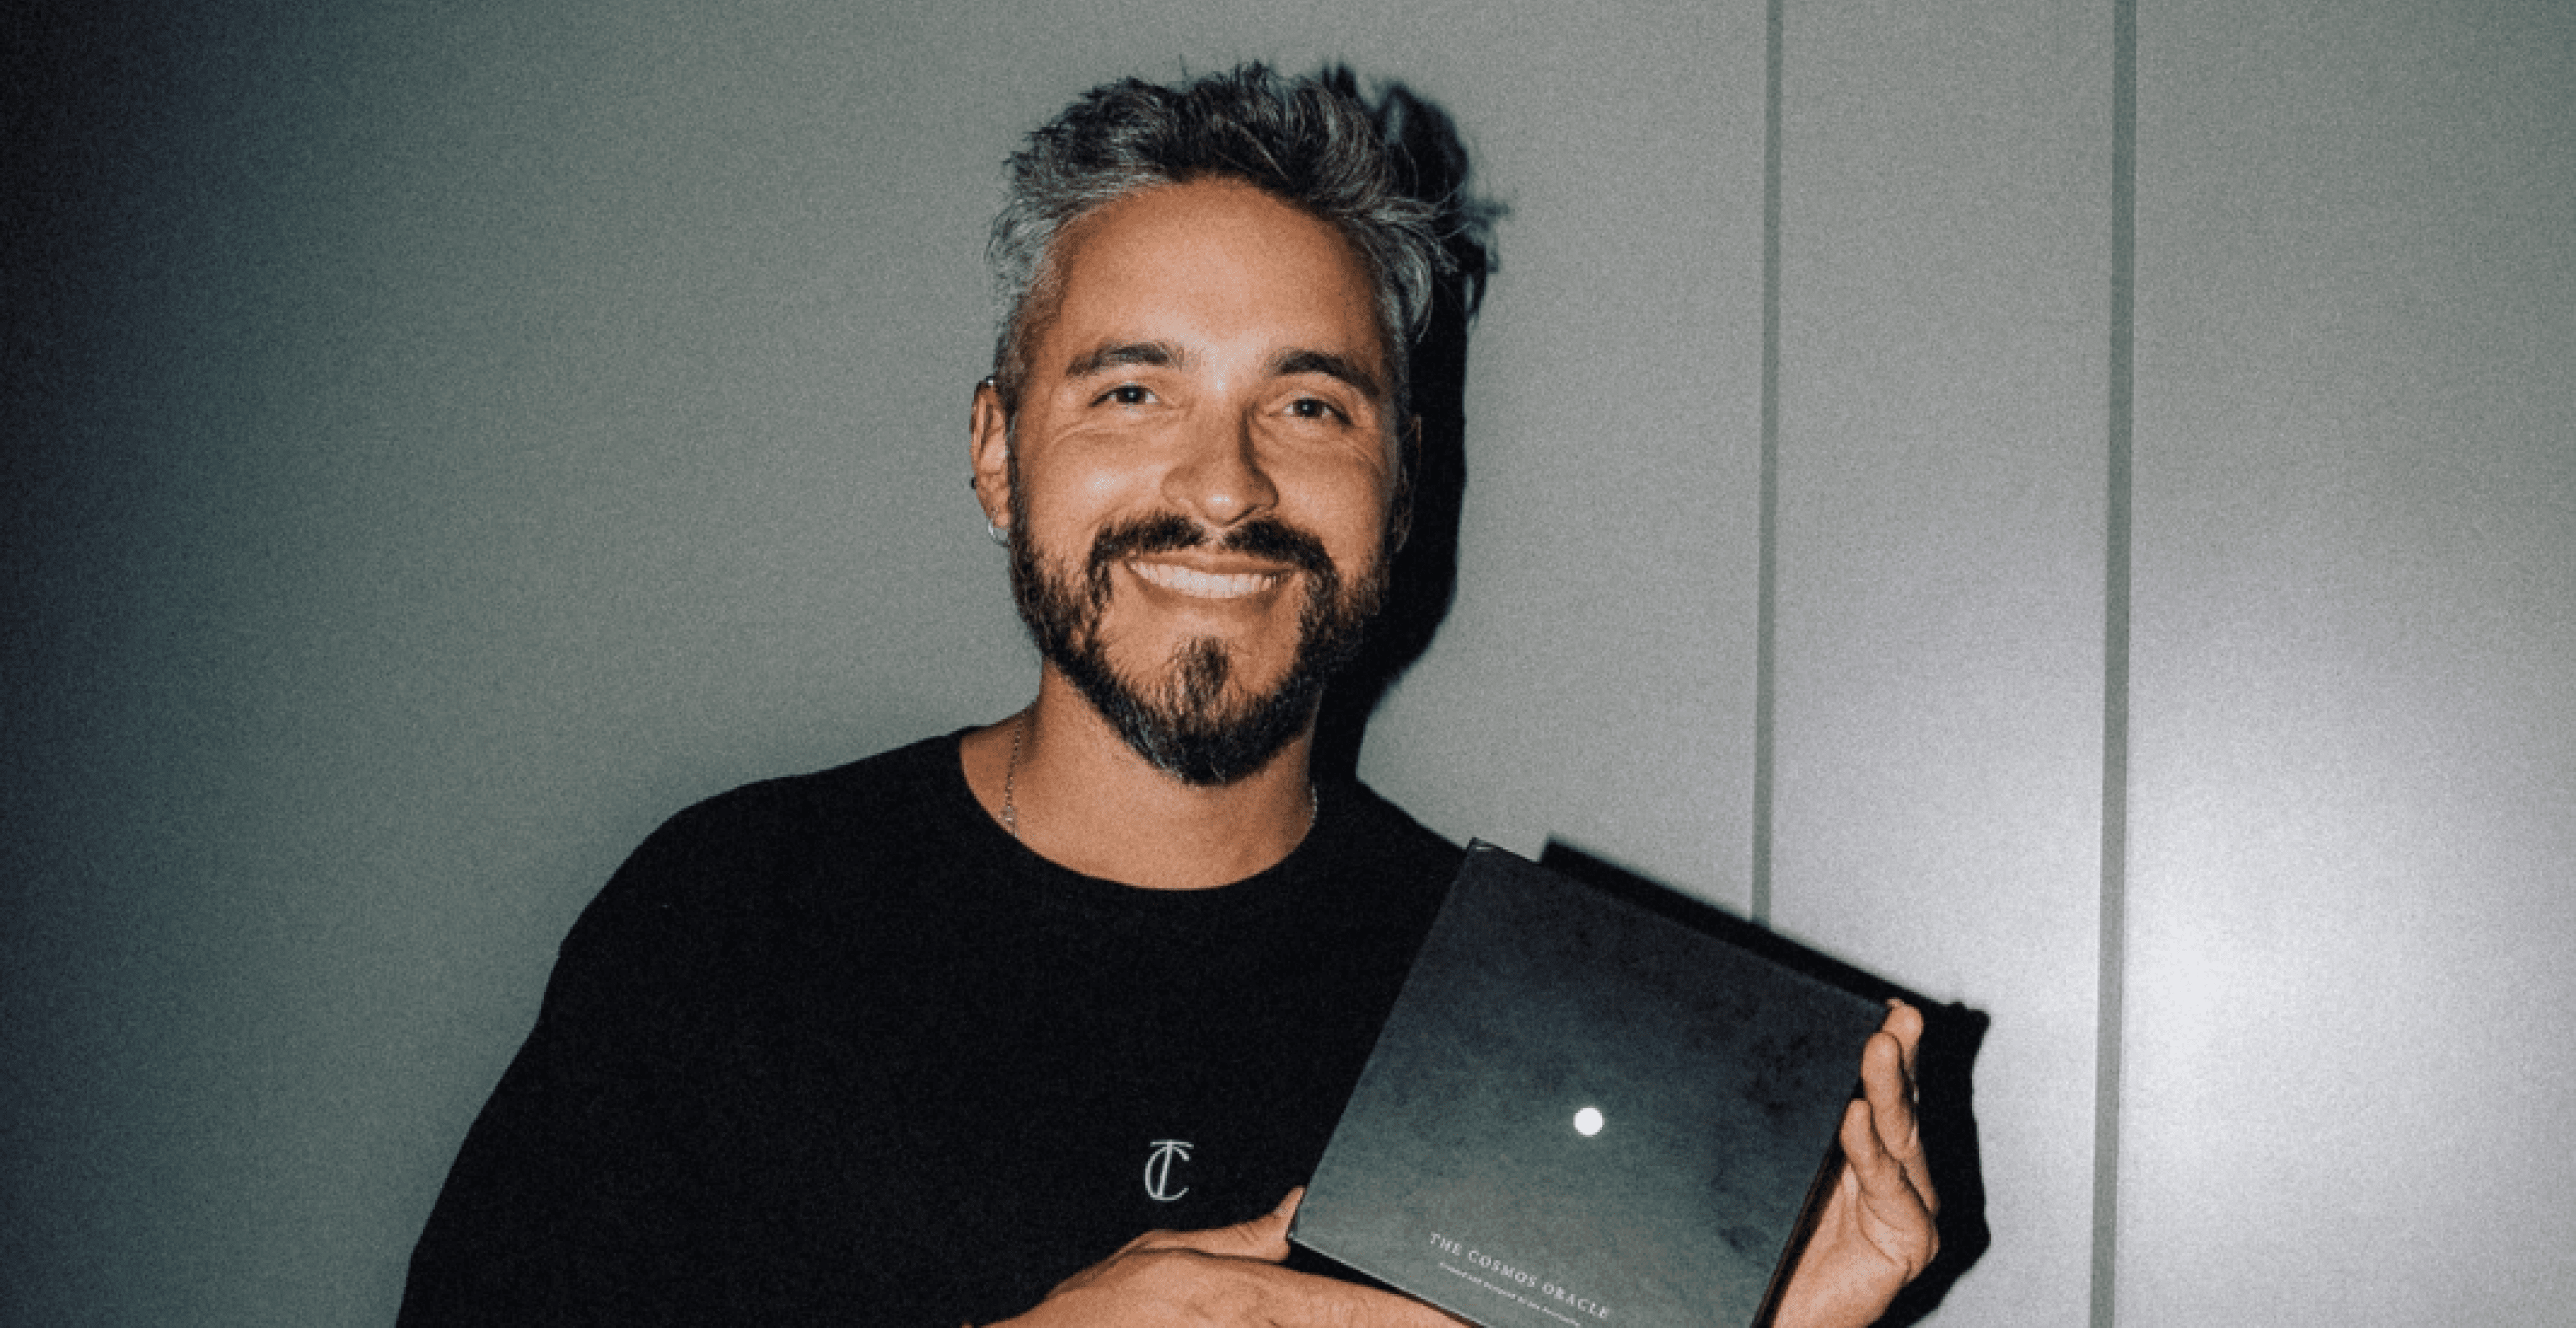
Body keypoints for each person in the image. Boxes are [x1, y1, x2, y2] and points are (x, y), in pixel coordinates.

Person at [399, 64, 1938, 1328]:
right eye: (1133, 392)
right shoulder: (735, 919)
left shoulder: (1524, 1024)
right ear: (997, 454)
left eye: (1309, 404)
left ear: (1399, 491)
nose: (1222, 486)